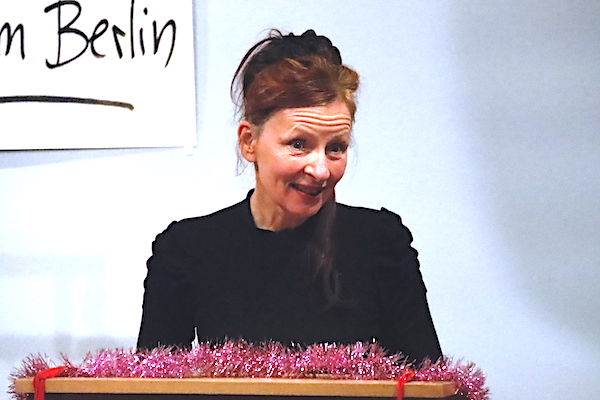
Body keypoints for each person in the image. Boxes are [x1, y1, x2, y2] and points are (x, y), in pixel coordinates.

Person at [137, 29, 442, 365]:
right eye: (298, 144)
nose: (320, 170)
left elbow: (426, 379)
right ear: (249, 142)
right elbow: (154, 383)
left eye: (335, 148)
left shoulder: (380, 243)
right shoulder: (187, 250)